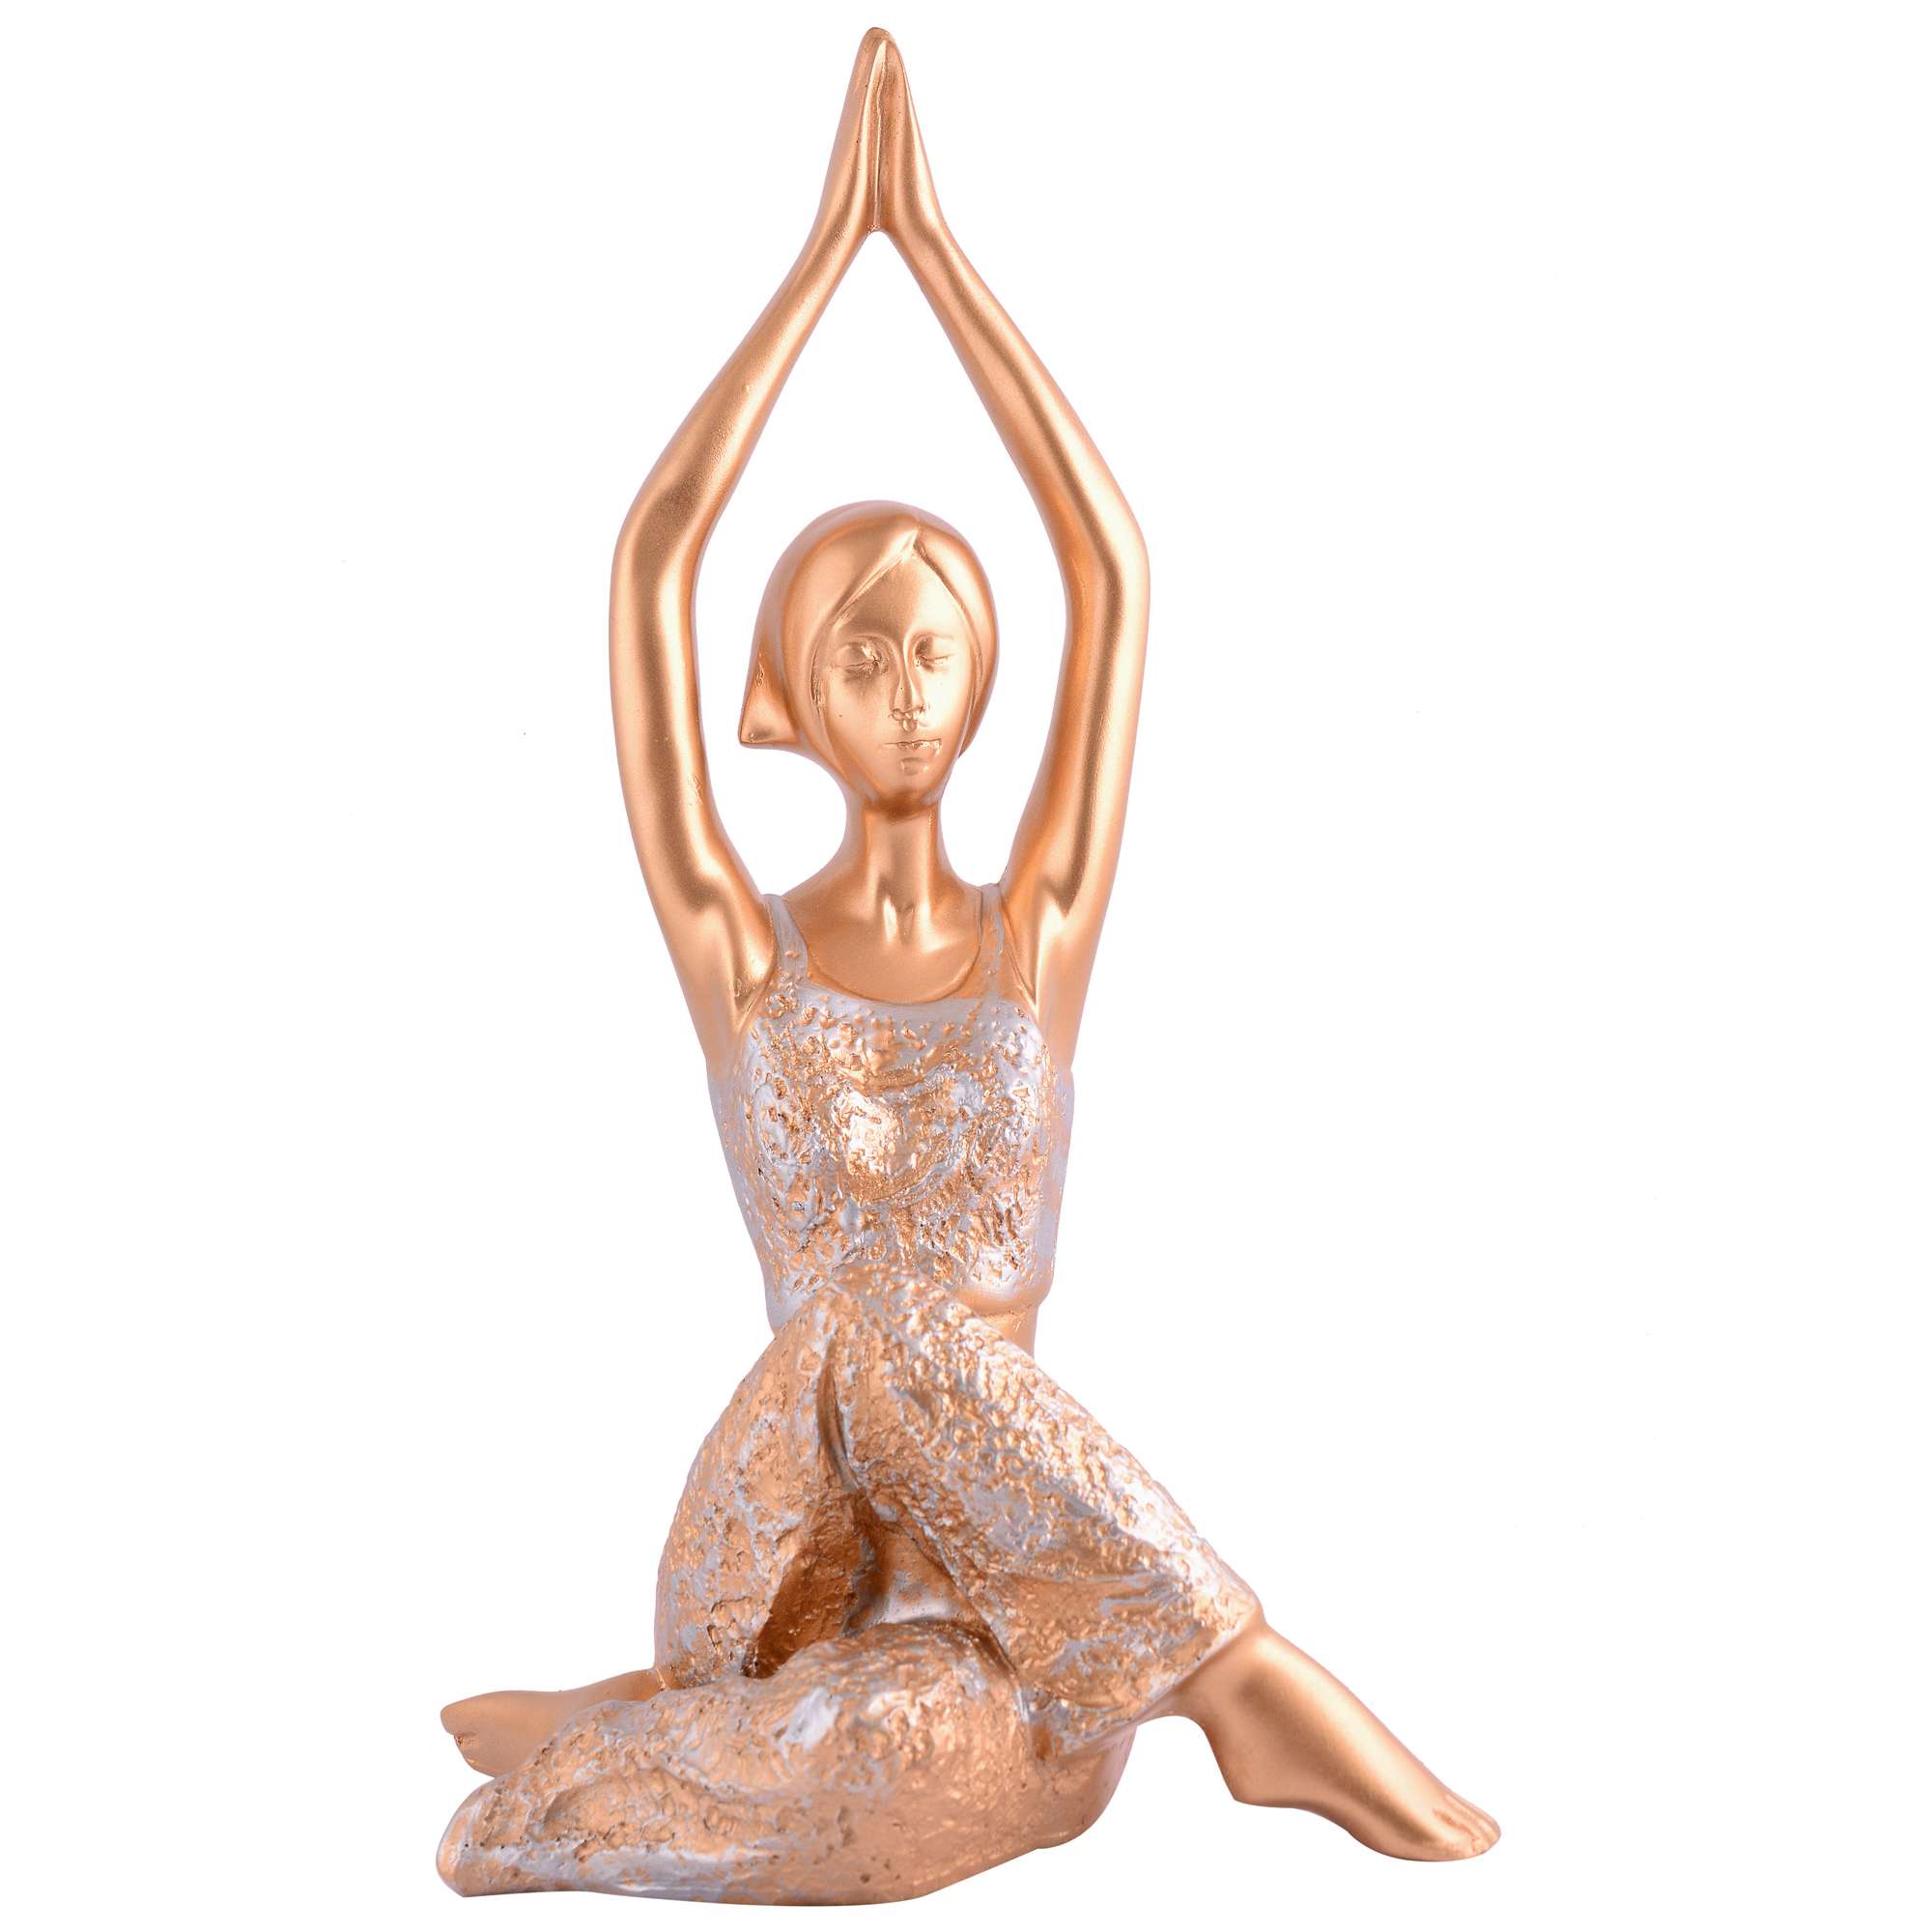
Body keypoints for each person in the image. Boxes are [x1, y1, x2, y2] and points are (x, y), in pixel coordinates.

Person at [437, 32, 1496, 1903]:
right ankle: (1243, 1675)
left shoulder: (1033, 939)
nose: (909, 691)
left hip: (1020, 1588)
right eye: (861, 654)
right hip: (781, 1542)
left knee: (930, 1752)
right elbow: (653, 562)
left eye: (936, 650)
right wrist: (829, 261)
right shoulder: (741, 950)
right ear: (787, 694)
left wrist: (937, 252)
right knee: (872, 1318)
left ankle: (632, 1740)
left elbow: (1108, 566)